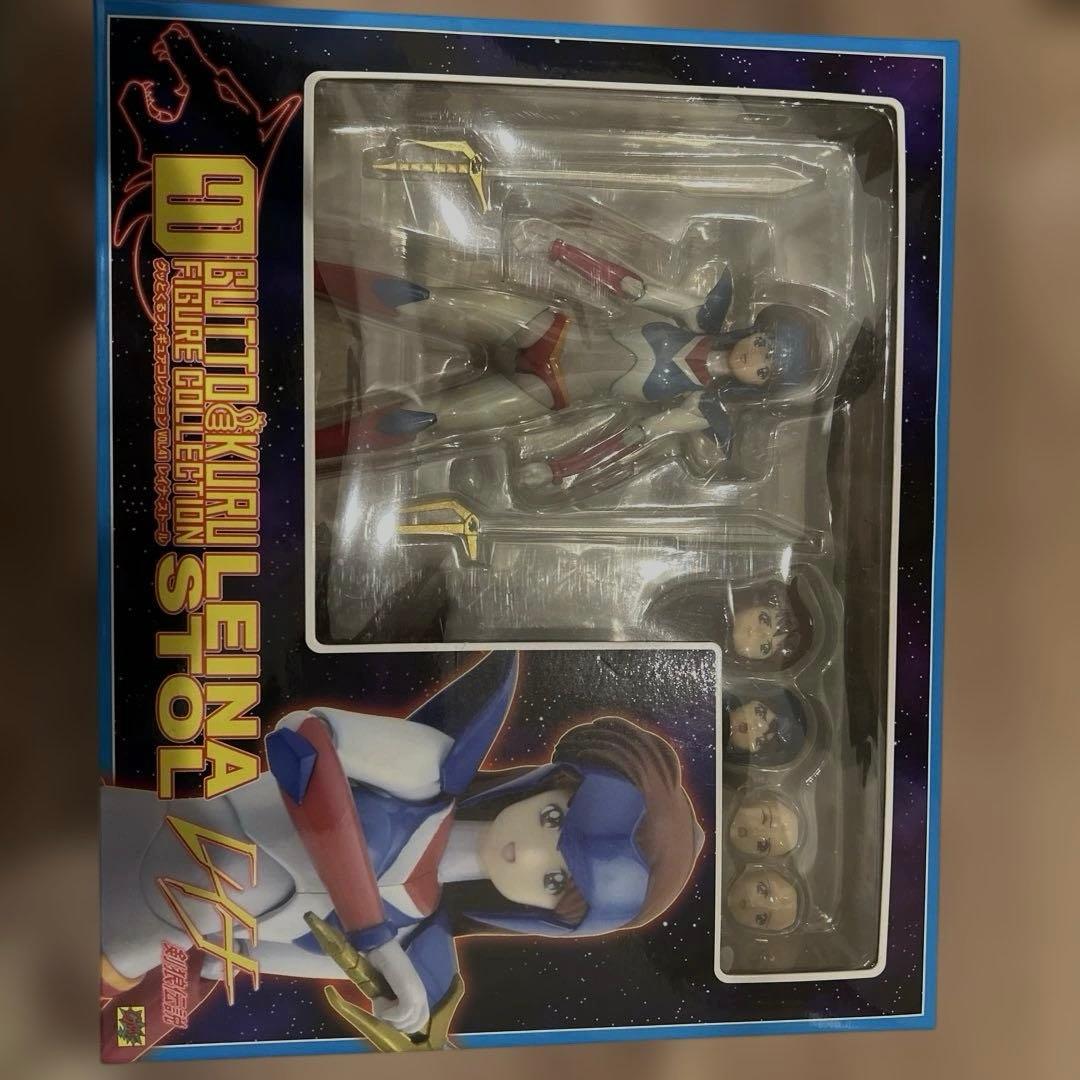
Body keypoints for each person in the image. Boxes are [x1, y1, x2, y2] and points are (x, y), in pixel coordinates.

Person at [100, 652, 704, 1045]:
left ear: (547, 918)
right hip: (122, 840)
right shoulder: (426, 776)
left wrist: (131, 1032)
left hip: (120, 951)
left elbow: (217, 958)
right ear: (552, 784)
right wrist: (372, 935)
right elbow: (303, 744)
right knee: (221, 868)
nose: (529, 854)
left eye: (554, 882)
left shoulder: (415, 940)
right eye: (552, 819)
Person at [313, 233, 821, 486]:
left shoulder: (697, 407)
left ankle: (312, 448)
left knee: (424, 420)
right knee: (420, 299)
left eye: (767, 369)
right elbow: (630, 285)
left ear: (760, 385)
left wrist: (561, 468)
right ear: (757, 329)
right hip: (550, 329)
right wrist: (563, 250)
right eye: (766, 345)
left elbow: (631, 439)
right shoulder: (694, 314)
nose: (757, 358)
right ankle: (306, 271)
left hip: (547, 393)